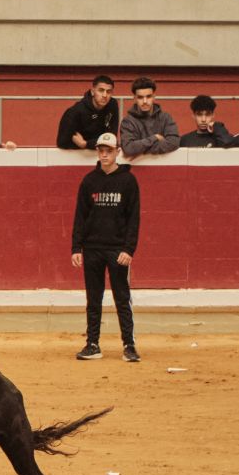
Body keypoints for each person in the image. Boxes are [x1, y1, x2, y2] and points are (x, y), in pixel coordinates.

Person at [71, 132, 140, 363]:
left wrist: (129, 249)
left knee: (122, 297)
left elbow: (134, 218)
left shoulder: (128, 181)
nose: (104, 154)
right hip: (92, 249)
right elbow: (80, 216)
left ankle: (129, 345)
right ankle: (92, 344)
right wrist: (76, 247)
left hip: (117, 249)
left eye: (108, 150)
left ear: (117, 151)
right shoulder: (89, 181)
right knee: (93, 298)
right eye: (101, 150)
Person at [118, 77, 180, 158]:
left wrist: (141, 150)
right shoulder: (128, 121)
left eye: (148, 96)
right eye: (140, 97)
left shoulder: (165, 118)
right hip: (136, 168)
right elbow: (129, 148)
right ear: (134, 98)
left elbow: (174, 142)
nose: (145, 101)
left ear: (154, 96)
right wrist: (155, 138)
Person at [55, 75, 119, 150]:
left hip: (100, 152)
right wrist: (85, 146)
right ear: (92, 91)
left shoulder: (112, 105)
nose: (105, 95)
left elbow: (111, 138)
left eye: (108, 92)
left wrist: (86, 144)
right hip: (77, 155)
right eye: (101, 90)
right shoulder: (75, 112)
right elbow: (62, 143)